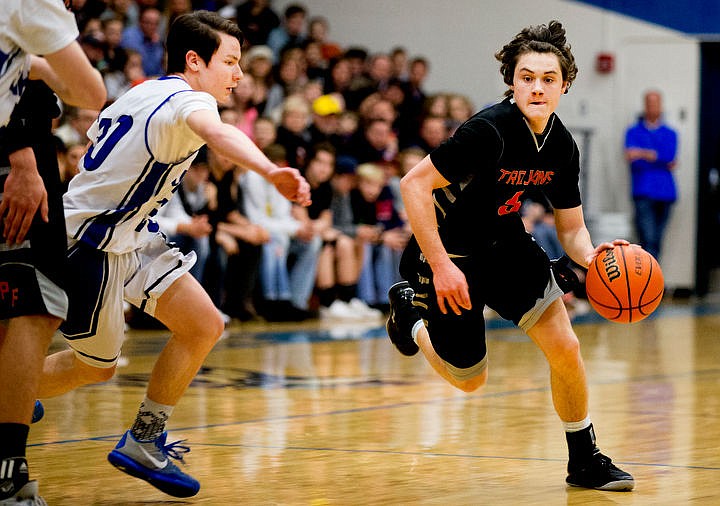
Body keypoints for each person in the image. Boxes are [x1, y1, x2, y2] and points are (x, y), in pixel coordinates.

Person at [35, 11, 309, 499]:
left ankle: (144, 438)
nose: (239, 74)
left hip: (131, 234)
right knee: (96, 367)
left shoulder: (142, 90)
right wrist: (270, 170)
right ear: (194, 61)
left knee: (205, 324)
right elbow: (218, 133)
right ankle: (14, 392)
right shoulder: (189, 100)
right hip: (91, 243)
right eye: (230, 61)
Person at [386, 20, 635, 492]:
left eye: (547, 79)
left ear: (565, 84)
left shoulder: (562, 145)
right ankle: (410, 319)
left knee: (566, 346)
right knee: (469, 380)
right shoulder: (488, 131)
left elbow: (572, 229)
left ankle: (584, 459)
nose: (536, 88)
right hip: (448, 252)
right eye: (526, 77)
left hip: (507, 245)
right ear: (512, 81)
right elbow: (413, 185)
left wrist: (595, 254)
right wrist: (439, 266)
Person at [0, 1, 106, 504]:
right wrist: (21, 154)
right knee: (30, 308)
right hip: (17, 162)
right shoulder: (30, 5)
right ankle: (8, 473)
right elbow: (91, 91)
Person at [624, 90, 678, 260]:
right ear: (645, 105)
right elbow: (632, 157)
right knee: (647, 238)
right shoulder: (633, 131)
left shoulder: (670, 133)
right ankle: (646, 280)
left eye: (656, 103)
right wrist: (657, 157)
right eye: (649, 103)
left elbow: (669, 156)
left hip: (665, 193)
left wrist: (643, 153)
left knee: (657, 240)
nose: (653, 106)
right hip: (643, 191)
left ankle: (653, 280)